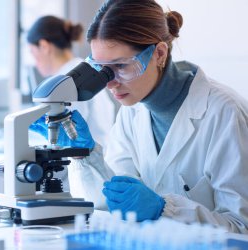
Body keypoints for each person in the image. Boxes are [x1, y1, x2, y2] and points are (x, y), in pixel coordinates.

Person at [29, 0, 248, 234]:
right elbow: (111, 205)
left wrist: (165, 210)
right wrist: (87, 157)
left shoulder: (224, 113)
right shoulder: (132, 112)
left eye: (121, 65)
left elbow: (241, 227)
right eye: (102, 69)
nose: (110, 83)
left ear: (159, 54)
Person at [27, 15, 117, 148]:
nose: (35, 62)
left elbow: (68, 134)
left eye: (33, 53)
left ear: (44, 46)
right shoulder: (80, 71)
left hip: (90, 159)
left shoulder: (68, 81)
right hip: (97, 156)